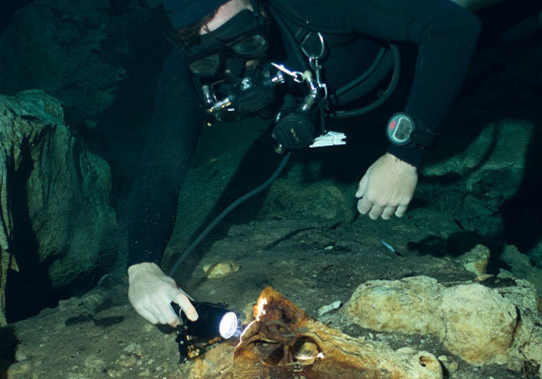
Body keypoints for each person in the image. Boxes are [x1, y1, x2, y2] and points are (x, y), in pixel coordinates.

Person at [126, 0, 481, 327]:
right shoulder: (184, 71)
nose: (234, 65)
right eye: (207, 58)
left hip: (410, 68)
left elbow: (452, 26)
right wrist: (141, 267)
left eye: (244, 42)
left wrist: (405, 153)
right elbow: (160, 171)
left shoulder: (311, 6)